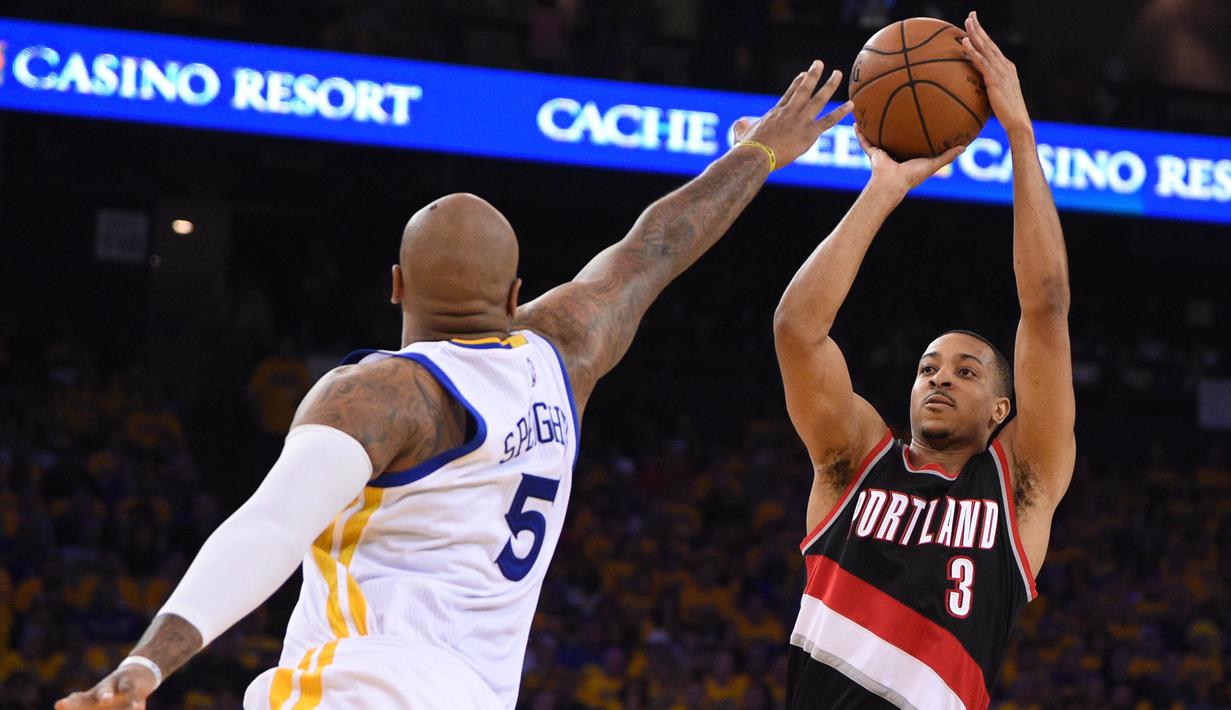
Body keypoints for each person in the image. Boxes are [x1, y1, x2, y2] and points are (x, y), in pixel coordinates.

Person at [56, 61, 854, 710]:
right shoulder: (565, 354)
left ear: (396, 286)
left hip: (353, 689)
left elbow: (268, 527)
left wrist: (148, 664)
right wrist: (756, 156)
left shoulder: (379, 394)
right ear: (514, 297)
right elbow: (653, 247)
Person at [774, 14, 1075, 709]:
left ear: (1002, 411)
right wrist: (882, 189)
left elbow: (1046, 308)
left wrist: (1020, 137)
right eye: (928, 367)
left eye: (966, 371)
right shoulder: (853, 459)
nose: (939, 376)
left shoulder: (1019, 488)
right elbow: (796, 330)